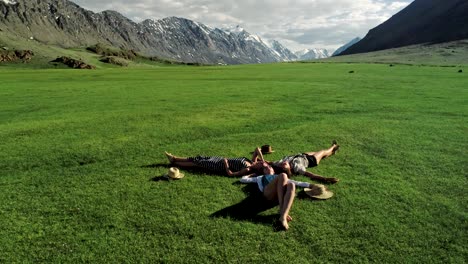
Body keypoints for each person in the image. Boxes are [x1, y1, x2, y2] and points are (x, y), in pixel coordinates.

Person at [270, 141, 340, 183]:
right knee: (323, 151)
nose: (284, 164)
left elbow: (268, 162)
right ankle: (334, 146)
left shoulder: (279, 164)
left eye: (282, 165)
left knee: (322, 155)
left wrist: (259, 158)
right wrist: (326, 179)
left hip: (302, 155)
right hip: (312, 160)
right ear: (288, 169)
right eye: (285, 166)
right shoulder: (297, 168)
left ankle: (332, 152)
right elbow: (311, 175)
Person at [164, 147, 267, 176]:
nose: (259, 163)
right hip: (219, 159)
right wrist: (263, 160)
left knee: (197, 163)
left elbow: (231, 174)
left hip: (218, 165)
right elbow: (258, 148)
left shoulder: (247, 169)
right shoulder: (252, 161)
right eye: (261, 162)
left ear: (259, 169)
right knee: (198, 158)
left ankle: (174, 162)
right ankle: (175, 158)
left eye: (260, 165)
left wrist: (226, 164)